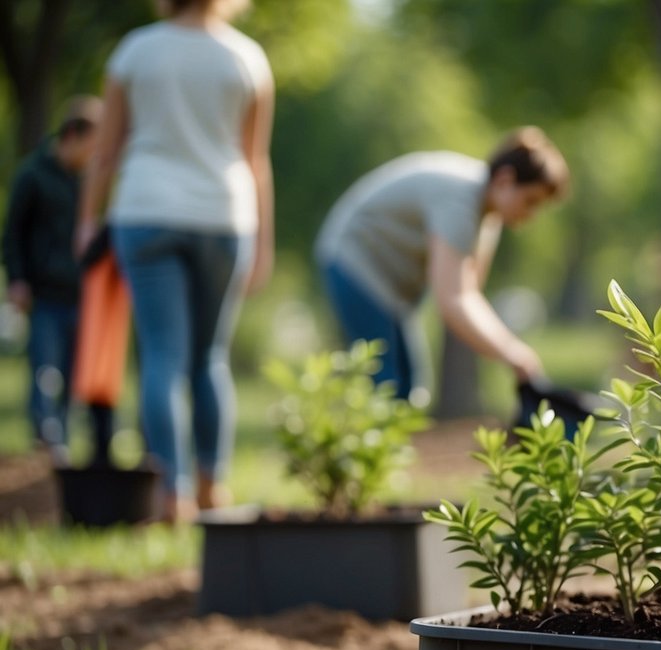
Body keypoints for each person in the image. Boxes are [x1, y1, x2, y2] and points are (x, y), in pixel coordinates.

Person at [77, 0, 275, 523]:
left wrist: (87, 219)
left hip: (145, 210)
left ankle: (172, 493)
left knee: (163, 356)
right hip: (224, 216)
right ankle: (214, 487)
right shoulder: (247, 58)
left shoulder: (136, 50)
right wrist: (265, 241)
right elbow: (254, 159)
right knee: (208, 358)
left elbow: (107, 150)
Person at [314, 127, 568, 401]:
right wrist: (514, 354)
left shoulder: (486, 216)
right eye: (529, 201)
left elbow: (470, 293)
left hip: (392, 288)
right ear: (505, 180)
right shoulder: (460, 202)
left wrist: (514, 355)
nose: (530, 215)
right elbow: (454, 301)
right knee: (386, 385)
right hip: (353, 260)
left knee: (411, 390)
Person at [2, 96, 104, 462]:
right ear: (73, 135)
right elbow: (13, 233)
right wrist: (17, 279)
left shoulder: (89, 183)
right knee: (45, 370)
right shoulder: (33, 175)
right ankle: (45, 443)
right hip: (44, 293)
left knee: (74, 376)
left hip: (81, 295)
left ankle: (62, 443)